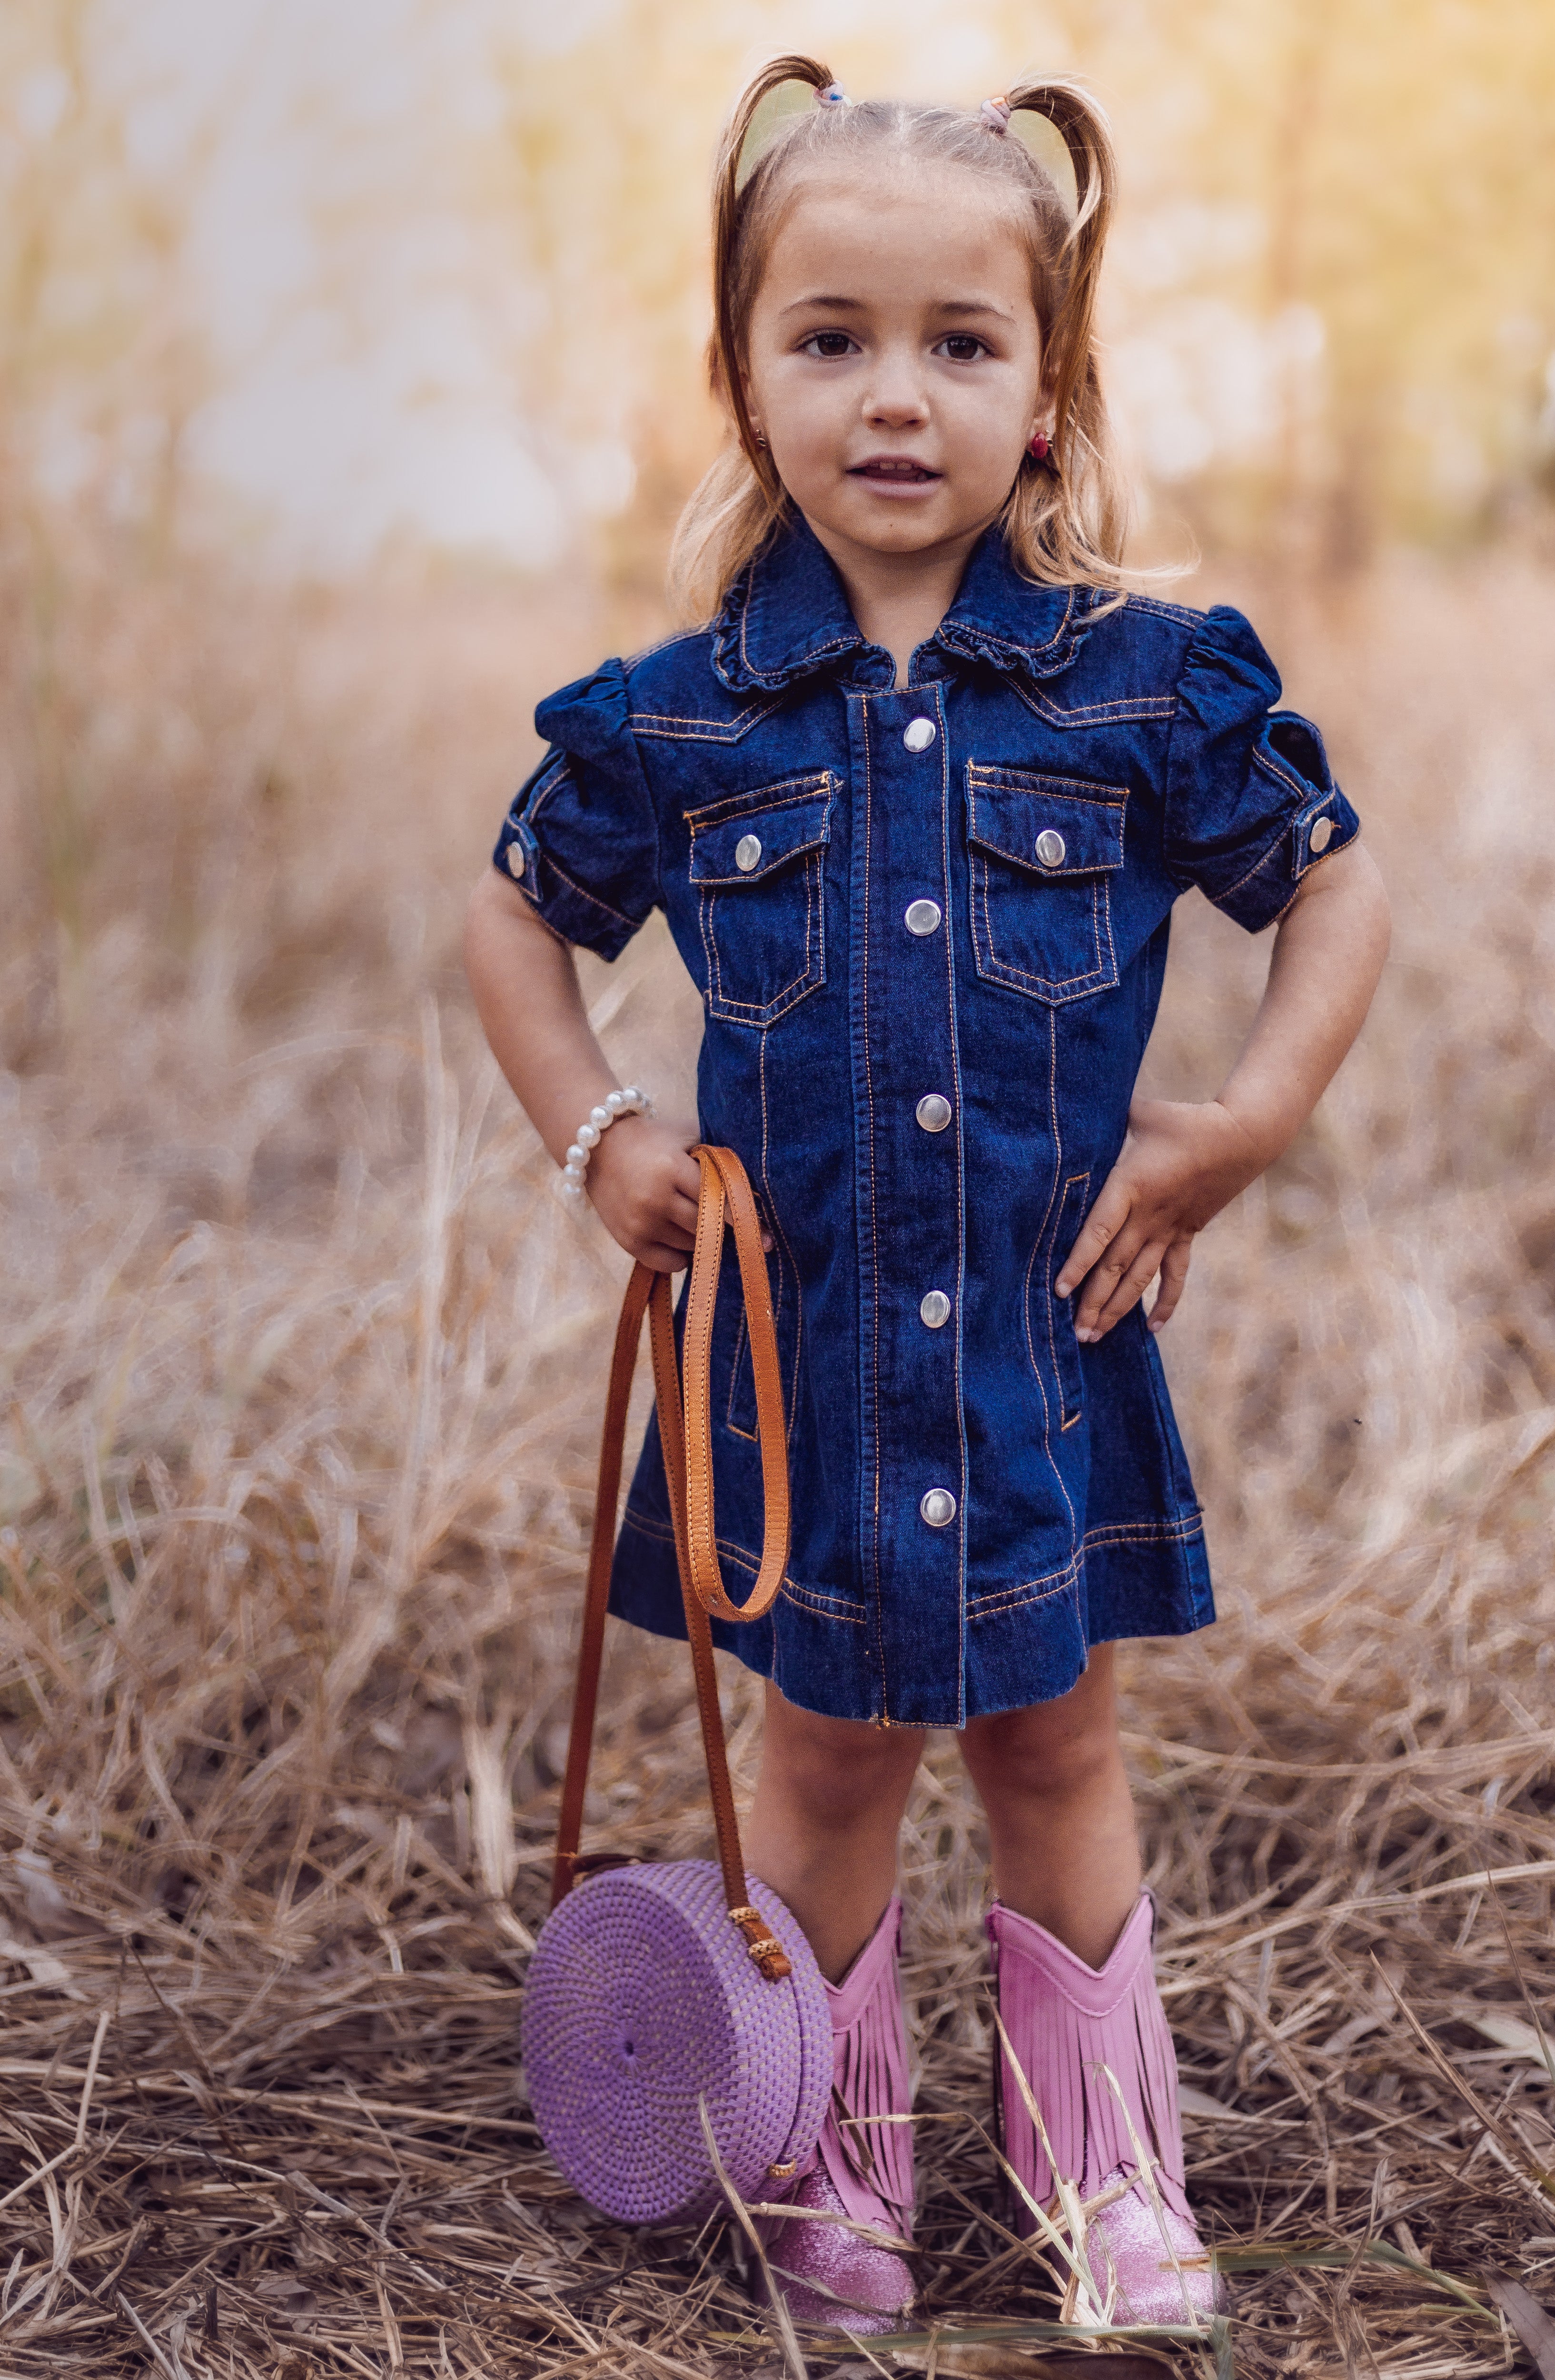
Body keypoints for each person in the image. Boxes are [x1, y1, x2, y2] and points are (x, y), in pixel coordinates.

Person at [465, 55, 1389, 2336]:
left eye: (960, 343)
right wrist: (602, 1136)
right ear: (745, 377)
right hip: (798, 1370)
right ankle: (829, 2145)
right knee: (823, 1750)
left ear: (1044, 392)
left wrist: (1244, 1123)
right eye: (833, 337)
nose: (896, 395)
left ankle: (1107, 2173)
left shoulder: (1142, 689)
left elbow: (1333, 885)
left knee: (1057, 1738)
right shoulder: (680, 718)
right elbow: (510, 919)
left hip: (1036, 1345)